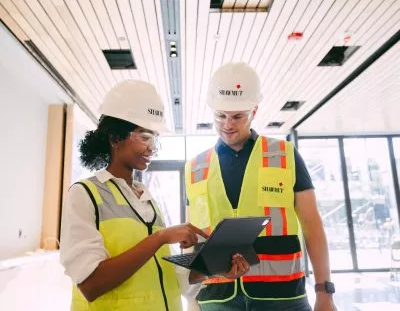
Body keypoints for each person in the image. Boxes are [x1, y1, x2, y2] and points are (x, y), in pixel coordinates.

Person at [60, 80, 249, 311]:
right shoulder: (85, 194)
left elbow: (171, 279)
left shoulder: (146, 198)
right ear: (114, 137)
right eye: (145, 137)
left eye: (155, 139)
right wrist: (160, 238)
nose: (152, 148)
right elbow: (91, 284)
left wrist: (215, 268)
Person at [185, 63, 338, 311]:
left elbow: (312, 223)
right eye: (220, 116)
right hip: (215, 297)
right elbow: (192, 236)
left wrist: (324, 291)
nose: (227, 124)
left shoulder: (284, 154)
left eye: (237, 116)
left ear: (254, 111)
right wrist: (192, 298)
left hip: (283, 295)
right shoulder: (195, 167)